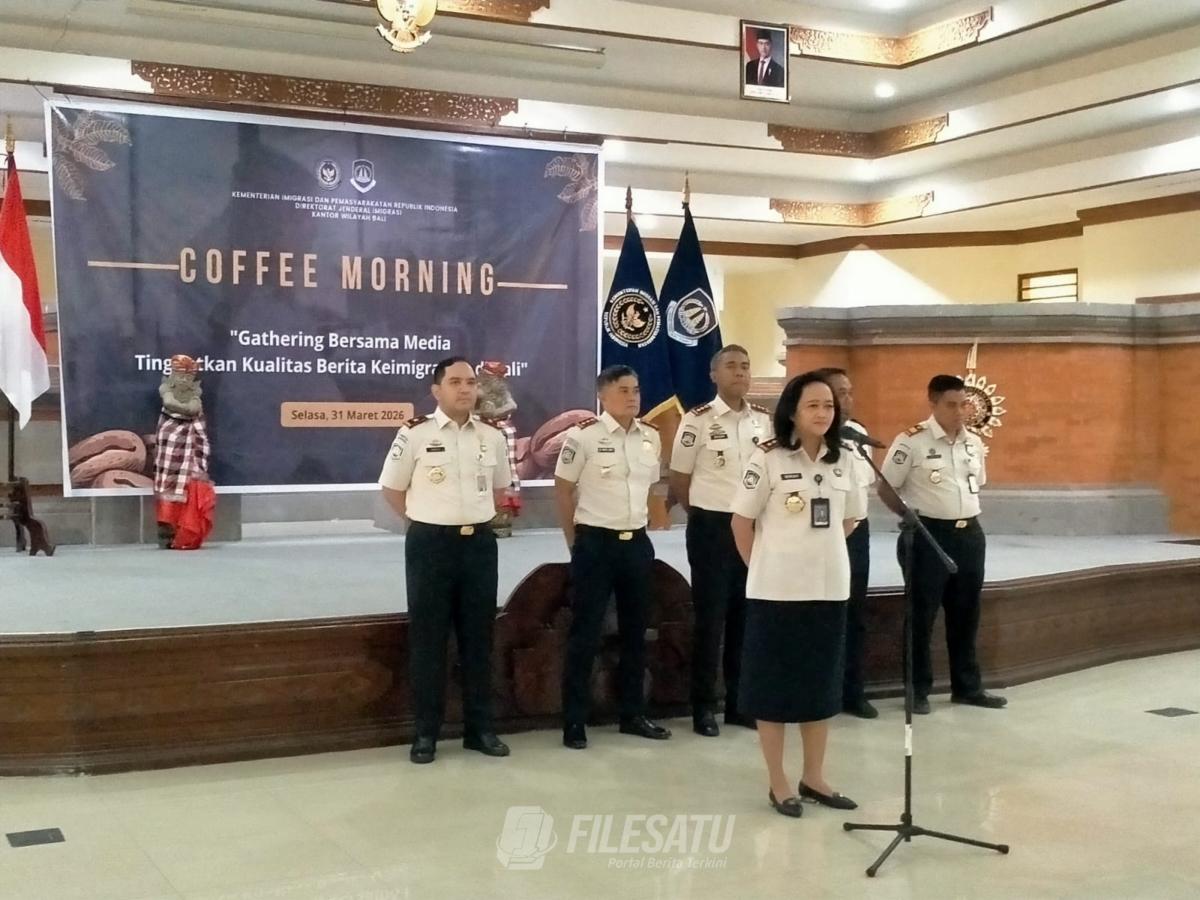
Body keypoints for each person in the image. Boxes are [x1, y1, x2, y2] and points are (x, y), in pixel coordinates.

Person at [731, 372, 865, 818]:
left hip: (828, 589)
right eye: (813, 405)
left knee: (820, 686)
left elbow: (850, 520)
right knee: (772, 689)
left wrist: (816, 556)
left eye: (829, 405)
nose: (824, 412)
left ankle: (814, 776)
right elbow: (741, 522)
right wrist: (765, 565)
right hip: (775, 592)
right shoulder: (767, 457)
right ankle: (778, 781)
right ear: (792, 411)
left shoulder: (846, 459)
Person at [378, 357, 514, 764]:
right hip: (430, 545)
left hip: (479, 545)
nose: (466, 389)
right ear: (436, 391)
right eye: (455, 382)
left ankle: (480, 729)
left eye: (470, 382)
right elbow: (392, 489)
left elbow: (499, 489)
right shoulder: (415, 433)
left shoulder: (491, 436)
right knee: (429, 640)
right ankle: (426, 733)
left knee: (479, 639)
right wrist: (424, 521)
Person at [554, 365, 672, 750]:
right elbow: (563, 490)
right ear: (602, 396)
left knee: (636, 633)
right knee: (585, 633)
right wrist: (575, 544)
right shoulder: (583, 436)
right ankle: (575, 720)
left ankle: (633, 714)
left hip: (635, 543)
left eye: (636, 389)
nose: (632, 397)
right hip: (595, 543)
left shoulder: (650, 437)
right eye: (623, 390)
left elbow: (652, 487)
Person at [878, 375, 1007, 715]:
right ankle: (917, 690)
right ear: (933, 403)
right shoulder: (911, 441)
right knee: (921, 616)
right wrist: (908, 517)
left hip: (969, 534)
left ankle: (967, 687)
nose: (959, 412)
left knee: (967, 614)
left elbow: (976, 483)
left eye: (963, 404)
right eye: (951, 405)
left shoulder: (973, 442)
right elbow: (886, 487)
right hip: (929, 534)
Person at [669, 345, 772, 736]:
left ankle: (738, 704)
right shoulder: (697, 420)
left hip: (752, 527)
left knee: (745, 619)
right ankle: (703, 708)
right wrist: (703, 514)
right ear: (714, 375)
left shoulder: (763, 421)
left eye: (745, 366)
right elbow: (680, 478)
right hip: (711, 527)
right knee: (710, 620)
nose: (740, 372)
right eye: (731, 366)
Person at [814, 367, 877, 719]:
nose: (847, 399)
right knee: (819, 614)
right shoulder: (805, 440)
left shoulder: (859, 435)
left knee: (855, 614)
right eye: (839, 392)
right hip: (818, 537)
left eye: (849, 392)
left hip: (856, 535)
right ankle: (817, 692)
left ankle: (853, 692)